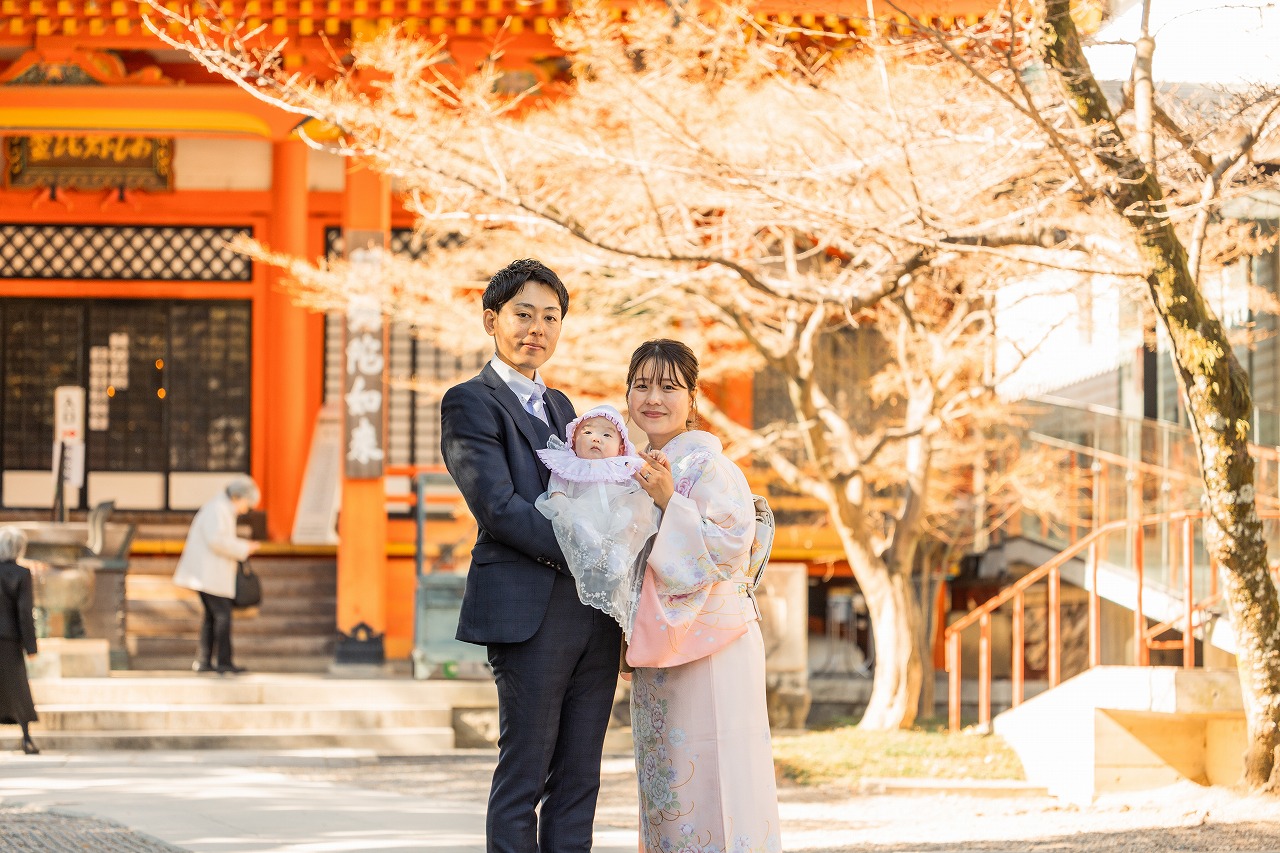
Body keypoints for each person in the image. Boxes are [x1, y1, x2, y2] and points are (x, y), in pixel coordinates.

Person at [440, 258, 622, 853]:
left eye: (551, 317)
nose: (536, 329)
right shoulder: (470, 402)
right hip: (529, 612)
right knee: (524, 775)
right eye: (523, 314)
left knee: (579, 779)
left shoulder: (566, 408)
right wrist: (589, 553)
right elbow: (498, 506)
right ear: (492, 319)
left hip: (592, 615)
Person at [624, 338, 782, 853]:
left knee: (721, 768)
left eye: (669, 387)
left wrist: (671, 502)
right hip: (662, 644)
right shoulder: (640, 466)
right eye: (642, 385)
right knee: (669, 772)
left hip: (713, 640)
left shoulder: (711, 468)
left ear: (692, 399)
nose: (654, 398)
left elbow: (730, 547)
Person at [534, 404, 659, 634]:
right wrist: (560, 501)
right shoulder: (567, 465)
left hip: (617, 514)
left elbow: (642, 483)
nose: (596, 439)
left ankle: (619, 551)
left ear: (621, 447)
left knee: (637, 506)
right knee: (576, 518)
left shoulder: (623, 466)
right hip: (583, 513)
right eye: (587, 432)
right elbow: (557, 488)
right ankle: (589, 542)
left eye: (606, 434)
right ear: (572, 441)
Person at [172, 476, 261, 675]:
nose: (247, 509)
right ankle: (224, 661)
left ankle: (204, 661)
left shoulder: (220, 508)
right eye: (247, 504)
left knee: (212, 617)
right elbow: (217, 541)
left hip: (209, 575)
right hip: (209, 575)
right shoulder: (217, 509)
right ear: (238, 497)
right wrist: (243, 547)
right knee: (222, 616)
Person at [0, 526, 40, 755]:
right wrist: (31, 646)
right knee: (18, 687)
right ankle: (26, 739)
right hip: (10, 638)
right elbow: (24, 612)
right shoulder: (21, 574)